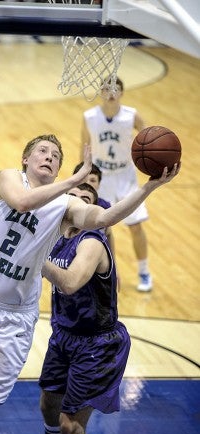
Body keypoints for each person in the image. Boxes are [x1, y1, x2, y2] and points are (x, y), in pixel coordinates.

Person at [0, 134, 179, 428]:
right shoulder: (10, 178)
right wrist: (73, 180)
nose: (49, 156)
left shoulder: (64, 207)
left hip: (14, 317)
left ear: (59, 168)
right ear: (26, 159)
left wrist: (149, 188)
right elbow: (22, 203)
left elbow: (105, 218)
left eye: (55, 156)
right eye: (42, 151)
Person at [39, 183, 130, 434]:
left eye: (85, 199)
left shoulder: (91, 242)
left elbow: (69, 283)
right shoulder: (58, 238)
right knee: (48, 405)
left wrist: (31, 257)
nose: (77, 203)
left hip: (96, 344)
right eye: (72, 197)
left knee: (72, 427)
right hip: (63, 335)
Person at [81, 77, 152, 292]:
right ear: (101, 92)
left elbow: (149, 136)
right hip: (102, 177)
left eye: (116, 89)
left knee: (135, 225)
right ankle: (97, 274)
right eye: (106, 88)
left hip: (125, 175)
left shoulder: (131, 115)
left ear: (122, 92)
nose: (111, 92)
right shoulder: (89, 116)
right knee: (96, 228)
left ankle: (144, 271)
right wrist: (84, 175)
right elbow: (84, 146)